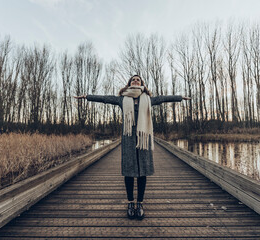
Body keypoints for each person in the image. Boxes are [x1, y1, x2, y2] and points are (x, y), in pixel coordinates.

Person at [74, 75, 190, 220]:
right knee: (129, 170)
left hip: (143, 138)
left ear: (142, 84)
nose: (136, 81)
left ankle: (140, 204)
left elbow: (164, 98)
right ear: (129, 83)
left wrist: (180, 97)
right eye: (133, 80)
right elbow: (104, 99)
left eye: (138, 80)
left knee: (143, 170)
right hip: (128, 138)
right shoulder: (123, 99)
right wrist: (86, 96)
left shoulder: (148, 99)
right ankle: (130, 203)